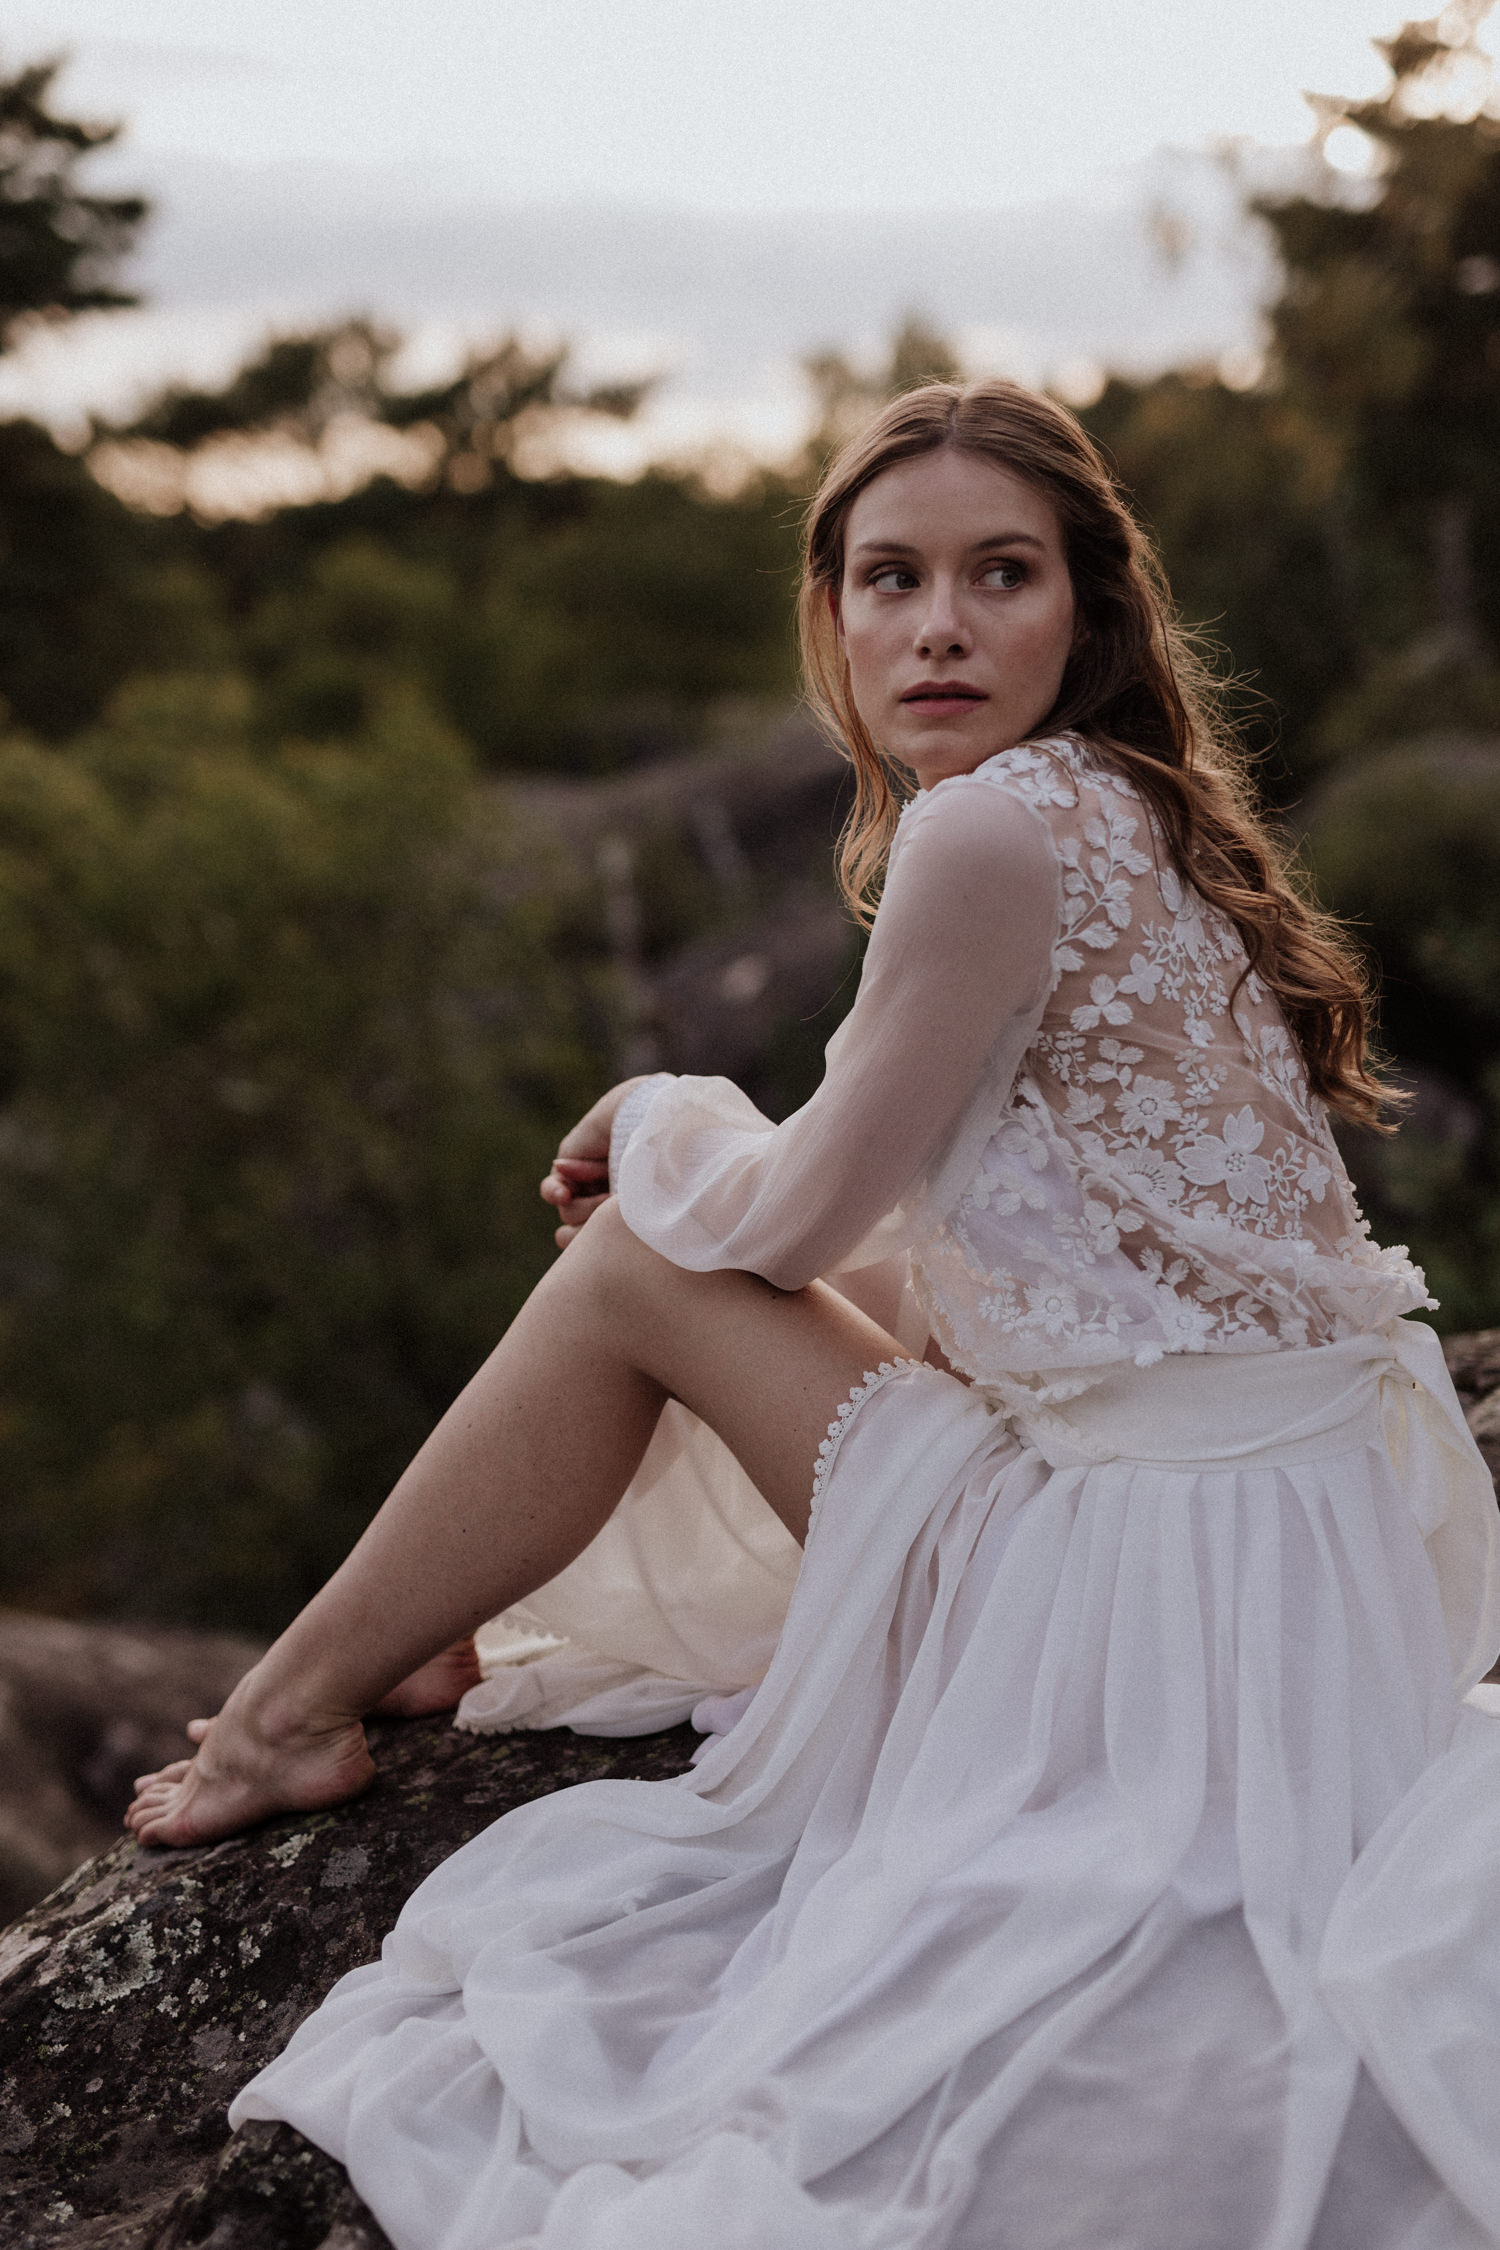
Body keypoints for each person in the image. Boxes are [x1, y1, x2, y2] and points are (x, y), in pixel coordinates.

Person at [125, 381, 1500, 2250]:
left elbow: (778, 1224)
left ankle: (288, 1710)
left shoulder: (990, 833)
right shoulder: (1133, 814)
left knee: (635, 1258)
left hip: (1143, 1628)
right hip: (1285, 1588)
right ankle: (445, 1635)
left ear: (1085, 613)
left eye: (998, 575)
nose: (938, 625)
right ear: (834, 622)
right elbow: (993, 1274)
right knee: (684, 1268)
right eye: (891, 580)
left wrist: (650, 1116)